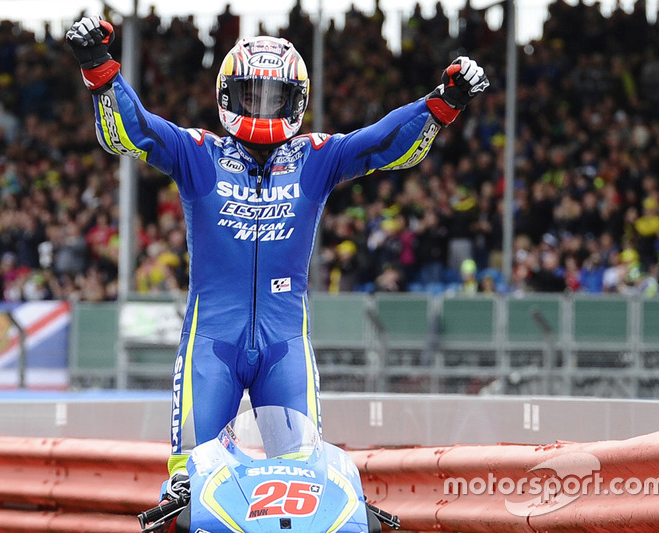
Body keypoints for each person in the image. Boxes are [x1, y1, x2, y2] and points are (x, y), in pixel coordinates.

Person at [66, 14, 488, 503]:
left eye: (275, 97)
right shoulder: (197, 153)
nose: (264, 108)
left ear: (297, 102)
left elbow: (381, 144)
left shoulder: (315, 156)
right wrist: (99, 67)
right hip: (211, 347)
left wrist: (441, 104)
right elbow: (129, 132)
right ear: (228, 96)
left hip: (285, 348)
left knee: (306, 481)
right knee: (190, 488)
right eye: (251, 94)